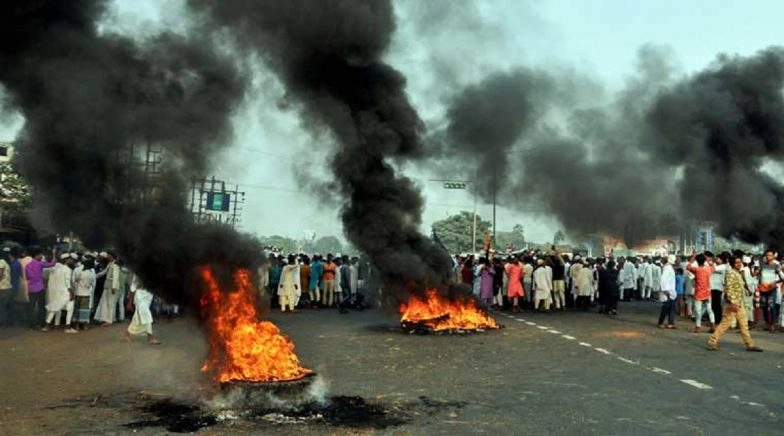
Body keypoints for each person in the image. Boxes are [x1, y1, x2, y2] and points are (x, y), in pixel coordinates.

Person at [707, 255, 762, 352]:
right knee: (725, 323)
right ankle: (712, 341)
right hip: (732, 303)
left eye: (740, 262)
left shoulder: (738, 273)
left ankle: (749, 344)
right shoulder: (731, 273)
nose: (739, 264)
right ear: (732, 264)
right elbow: (729, 289)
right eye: (737, 262)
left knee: (743, 323)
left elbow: (740, 286)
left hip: (739, 302)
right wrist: (733, 302)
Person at [42, 253, 77, 333]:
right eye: (69, 259)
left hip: (58, 292)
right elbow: (67, 282)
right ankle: (67, 327)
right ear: (66, 260)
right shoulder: (67, 270)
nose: (71, 260)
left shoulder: (56, 268)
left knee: (54, 308)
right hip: (65, 292)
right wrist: (71, 292)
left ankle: (47, 325)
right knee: (70, 309)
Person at [122, 274, 161, 345]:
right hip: (140, 298)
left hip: (148, 298)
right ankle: (150, 337)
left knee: (137, 318)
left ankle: (127, 334)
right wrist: (130, 302)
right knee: (147, 315)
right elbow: (132, 288)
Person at [25, 248, 57, 329]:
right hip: (40, 288)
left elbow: (27, 277)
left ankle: (31, 324)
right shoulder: (40, 264)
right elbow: (53, 264)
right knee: (41, 307)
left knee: (31, 307)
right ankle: (41, 323)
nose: (42, 256)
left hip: (31, 288)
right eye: (40, 254)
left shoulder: (27, 266)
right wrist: (54, 254)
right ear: (37, 255)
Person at [687, 252, 715, 333]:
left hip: (699, 292)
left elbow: (688, 267)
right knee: (710, 309)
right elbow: (713, 267)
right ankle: (713, 325)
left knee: (698, 311)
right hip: (707, 292)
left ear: (697, 261)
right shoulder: (708, 269)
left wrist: (692, 258)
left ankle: (698, 327)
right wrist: (709, 260)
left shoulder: (696, 270)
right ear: (704, 260)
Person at [756, 249, 780, 332]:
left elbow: (782, 278)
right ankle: (767, 323)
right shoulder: (762, 265)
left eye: (769, 255)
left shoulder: (776, 266)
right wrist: (759, 283)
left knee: (772, 305)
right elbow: (758, 276)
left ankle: (772, 324)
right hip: (763, 289)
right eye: (766, 255)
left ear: (773, 256)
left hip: (772, 289)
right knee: (764, 306)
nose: (768, 256)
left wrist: (775, 281)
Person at [93, 251, 120, 325]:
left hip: (111, 286)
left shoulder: (115, 265)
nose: (107, 256)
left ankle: (109, 320)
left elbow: (115, 277)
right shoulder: (110, 264)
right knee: (104, 302)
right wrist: (95, 275)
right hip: (107, 284)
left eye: (108, 255)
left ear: (111, 256)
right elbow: (104, 272)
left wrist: (114, 287)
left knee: (110, 303)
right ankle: (104, 318)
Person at [73, 254, 96, 330]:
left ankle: (77, 325)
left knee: (77, 309)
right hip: (87, 294)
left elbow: (75, 280)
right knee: (85, 310)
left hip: (78, 292)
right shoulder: (91, 274)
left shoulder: (80, 273)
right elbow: (93, 284)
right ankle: (85, 325)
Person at [657, 256, 677, 329]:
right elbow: (663, 279)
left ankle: (670, 323)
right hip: (667, 291)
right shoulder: (668, 268)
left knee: (671, 308)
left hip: (670, 291)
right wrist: (665, 289)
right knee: (665, 308)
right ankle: (660, 322)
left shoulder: (669, 268)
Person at [0, 248, 13, 326]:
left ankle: (3, 323)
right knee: (5, 307)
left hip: (2, 288)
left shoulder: (0, 262)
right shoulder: (6, 263)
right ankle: (7, 323)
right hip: (8, 288)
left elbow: (0, 274)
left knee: (2, 307)